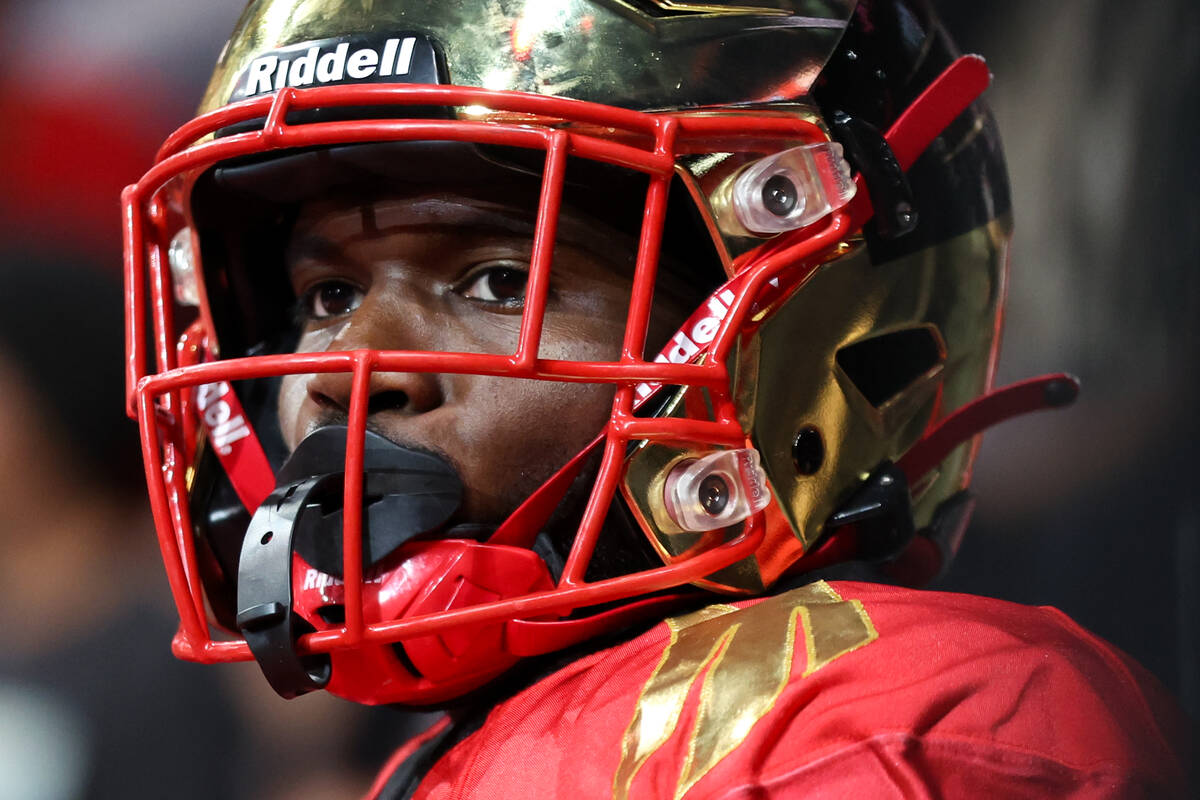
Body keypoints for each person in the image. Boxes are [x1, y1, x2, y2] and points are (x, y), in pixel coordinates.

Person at [121, 0, 1191, 797]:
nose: (358, 366)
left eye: (499, 280)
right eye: (328, 293)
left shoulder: (894, 717)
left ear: (795, 323)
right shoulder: (447, 752)